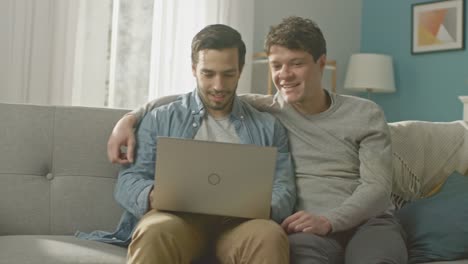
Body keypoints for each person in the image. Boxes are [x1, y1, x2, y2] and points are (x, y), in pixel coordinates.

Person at [108, 16, 408, 263]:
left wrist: (309, 217)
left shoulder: (270, 118)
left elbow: (371, 187)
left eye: (297, 63)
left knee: (279, 237)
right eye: (277, 65)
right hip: (191, 220)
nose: (285, 75)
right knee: (158, 230)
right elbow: (131, 176)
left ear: (321, 63)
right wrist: (131, 117)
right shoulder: (170, 117)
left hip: (354, 222)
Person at [77, 24, 296, 264]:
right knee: (154, 231)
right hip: (176, 220)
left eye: (228, 74)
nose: (218, 86)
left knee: (269, 236)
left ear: (240, 70)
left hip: (242, 225)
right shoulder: (160, 118)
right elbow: (128, 181)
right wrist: (152, 195)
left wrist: (262, 206)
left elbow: (284, 189)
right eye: (208, 73)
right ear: (194, 69)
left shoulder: (268, 127)